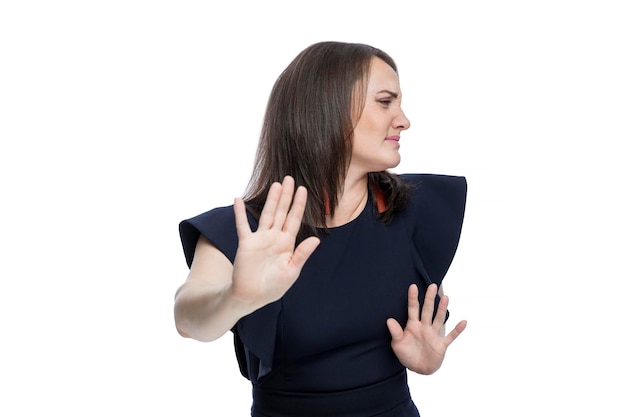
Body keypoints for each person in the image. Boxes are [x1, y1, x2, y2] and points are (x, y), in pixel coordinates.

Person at [174, 41, 467, 417]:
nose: (404, 119)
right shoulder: (246, 231)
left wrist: (426, 359)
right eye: (385, 101)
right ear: (328, 110)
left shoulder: (418, 211)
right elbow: (187, 318)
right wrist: (238, 298)